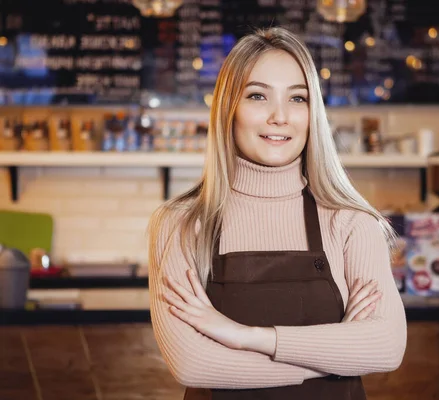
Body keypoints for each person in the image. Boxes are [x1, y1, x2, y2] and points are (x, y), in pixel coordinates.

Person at [147, 27, 407, 400]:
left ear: (311, 113)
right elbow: (193, 364)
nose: (280, 117)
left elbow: (386, 347)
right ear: (228, 110)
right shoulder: (182, 224)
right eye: (257, 96)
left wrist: (244, 337)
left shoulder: (350, 222)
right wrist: (336, 353)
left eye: (297, 99)